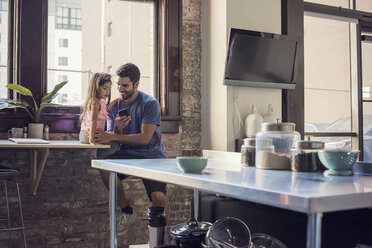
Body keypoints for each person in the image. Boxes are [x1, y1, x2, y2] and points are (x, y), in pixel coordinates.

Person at [94, 63, 167, 215]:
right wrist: (117, 128)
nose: (121, 89)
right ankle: (125, 207)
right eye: (118, 85)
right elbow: (116, 135)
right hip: (127, 154)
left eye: (125, 85)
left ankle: (161, 236)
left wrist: (113, 135)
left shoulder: (150, 104)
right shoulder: (114, 106)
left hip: (152, 157)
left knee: (158, 197)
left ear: (137, 84)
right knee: (104, 167)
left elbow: (144, 139)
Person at [79, 72, 119, 158]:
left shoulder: (99, 102)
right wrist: (92, 140)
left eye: (109, 89)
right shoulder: (95, 102)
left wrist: (116, 100)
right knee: (114, 144)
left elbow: (103, 111)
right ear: (96, 88)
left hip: (91, 133)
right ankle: (100, 160)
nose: (108, 91)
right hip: (88, 134)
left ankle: (101, 159)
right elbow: (93, 121)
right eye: (105, 88)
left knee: (113, 141)